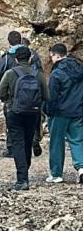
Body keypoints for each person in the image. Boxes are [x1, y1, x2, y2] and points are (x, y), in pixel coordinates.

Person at [0, 46, 49, 190]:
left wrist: (9, 101)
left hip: (14, 113)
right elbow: (46, 96)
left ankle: (22, 179)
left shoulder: (10, 73)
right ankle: (25, 171)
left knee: (17, 143)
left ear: (16, 59)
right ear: (31, 58)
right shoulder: (37, 74)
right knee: (27, 142)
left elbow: (0, 93)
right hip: (33, 114)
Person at [46, 44, 83, 184]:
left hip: (59, 113)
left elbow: (52, 96)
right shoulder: (80, 69)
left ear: (56, 55)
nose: (52, 59)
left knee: (57, 142)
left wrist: (48, 111)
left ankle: (56, 174)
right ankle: (81, 168)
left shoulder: (57, 73)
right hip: (78, 111)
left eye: (52, 56)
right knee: (77, 140)